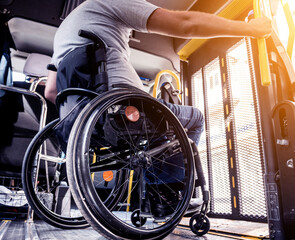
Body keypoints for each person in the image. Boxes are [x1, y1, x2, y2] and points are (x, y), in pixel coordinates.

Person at [44, 0, 272, 146]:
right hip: (123, 105)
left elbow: (51, 91)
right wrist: (250, 29)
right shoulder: (110, 3)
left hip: (79, 123)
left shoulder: (63, 33)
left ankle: (160, 191)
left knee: (155, 135)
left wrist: (90, 111)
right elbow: (186, 24)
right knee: (194, 119)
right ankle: (172, 194)